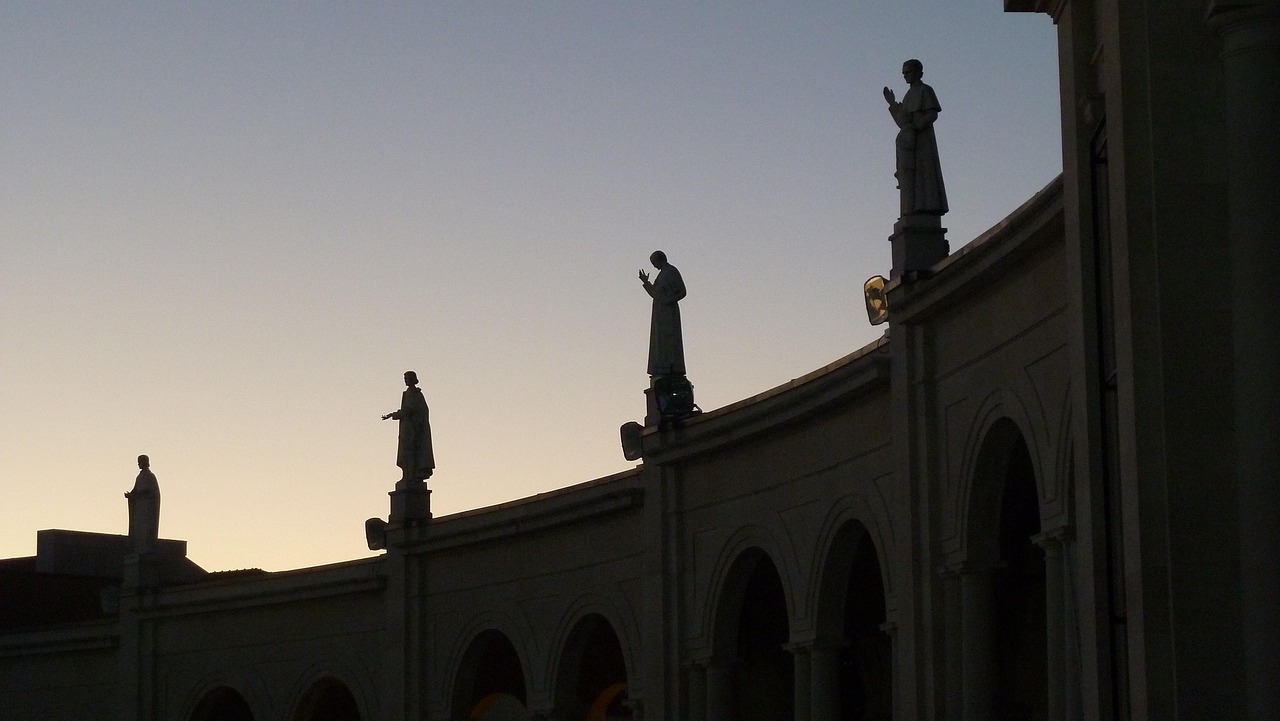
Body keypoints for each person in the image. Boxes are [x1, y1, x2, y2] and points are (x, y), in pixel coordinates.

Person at [883, 59, 948, 218]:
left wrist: (918, 124)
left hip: (923, 141)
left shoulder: (925, 90)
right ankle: (911, 210)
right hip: (910, 142)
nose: (905, 76)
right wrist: (892, 104)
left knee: (925, 176)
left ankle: (926, 209)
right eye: (903, 73)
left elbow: (932, 114)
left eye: (908, 72)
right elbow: (903, 122)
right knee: (910, 178)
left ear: (918, 72)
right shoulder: (908, 96)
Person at [638, 250, 687, 376]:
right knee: (660, 343)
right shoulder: (661, 275)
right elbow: (656, 294)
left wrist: (667, 301)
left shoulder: (671, 272)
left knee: (670, 340)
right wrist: (646, 282)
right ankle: (662, 367)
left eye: (654, 263)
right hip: (659, 314)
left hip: (669, 313)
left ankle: (672, 366)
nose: (654, 266)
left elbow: (682, 292)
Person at [382, 371, 435, 482]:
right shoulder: (407, 394)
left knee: (411, 452)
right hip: (407, 429)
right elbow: (407, 410)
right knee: (405, 452)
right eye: (404, 378)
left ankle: (412, 476)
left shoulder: (416, 394)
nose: (405, 380)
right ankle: (407, 476)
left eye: (407, 378)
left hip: (414, 430)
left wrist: (396, 414)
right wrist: (394, 414)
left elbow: (413, 410)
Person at [125, 455, 160, 553]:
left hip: (147, 507)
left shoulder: (150, 476)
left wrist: (137, 495)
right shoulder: (139, 477)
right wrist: (130, 495)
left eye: (140, 461)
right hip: (140, 507)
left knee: (145, 527)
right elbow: (136, 489)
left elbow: (149, 492)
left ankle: (145, 546)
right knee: (138, 527)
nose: (138, 464)